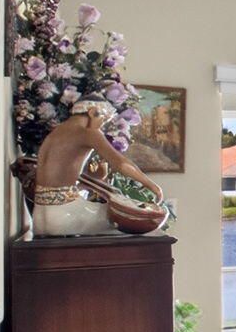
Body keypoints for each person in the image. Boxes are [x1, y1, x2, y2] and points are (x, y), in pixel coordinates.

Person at [31, 100, 164, 236]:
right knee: (140, 225)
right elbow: (121, 164)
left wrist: (96, 177)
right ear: (93, 112)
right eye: (103, 120)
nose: (102, 126)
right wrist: (151, 185)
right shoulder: (88, 132)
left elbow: (57, 184)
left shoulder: (55, 133)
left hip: (39, 217)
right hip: (64, 216)